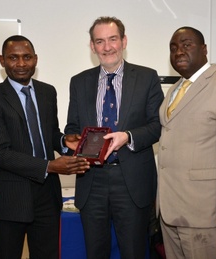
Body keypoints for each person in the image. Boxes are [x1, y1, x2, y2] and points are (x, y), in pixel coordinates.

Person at [0, 35, 90, 259]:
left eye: (27, 57)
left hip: (47, 196)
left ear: (36, 59)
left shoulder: (48, 92)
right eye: (13, 58)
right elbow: (1, 153)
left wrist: (64, 142)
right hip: (11, 198)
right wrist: (49, 166)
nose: (21, 64)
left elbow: (50, 134)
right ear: (2, 60)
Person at [64, 16, 164, 259]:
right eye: (100, 41)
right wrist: (72, 140)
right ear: (92, 46)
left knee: (134, 252)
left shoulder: (147, 77)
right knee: (95, 252)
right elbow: (72, 126)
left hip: (131, 181)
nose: (107, 47)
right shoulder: (79, 82)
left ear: (124, 41)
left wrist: (128, 137)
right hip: (91, 180)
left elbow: (158, 125)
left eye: (112, 39)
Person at [157, 26, 216, 258]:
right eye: (173, 48)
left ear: (204, 49)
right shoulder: (175, 90)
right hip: (171, 208)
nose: (179, 51)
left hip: (204, 211)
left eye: (187, 45)